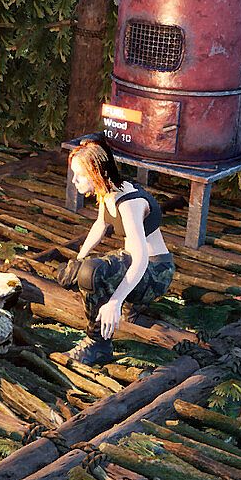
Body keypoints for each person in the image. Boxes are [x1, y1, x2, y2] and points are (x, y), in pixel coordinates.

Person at [57, 137, 175, 365]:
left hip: (155, 272)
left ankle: (97, 343)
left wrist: (115, 302)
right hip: (135, 263)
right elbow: (101, 224)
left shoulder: (129, 204)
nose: (74, 180)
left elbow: (140, 259)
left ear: (97, 173)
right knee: (74, 271)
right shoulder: (108, 191)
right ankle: (126, 301)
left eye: (79, 175)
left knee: (91, 272)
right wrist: (79, 258)